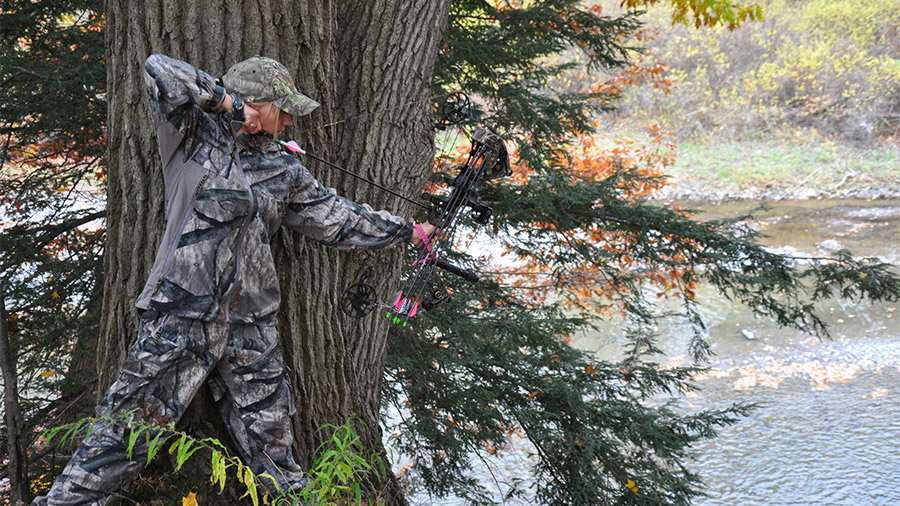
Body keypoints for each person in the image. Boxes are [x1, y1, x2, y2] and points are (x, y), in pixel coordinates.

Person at [33, 53, 435, 505]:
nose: (287, 122)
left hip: (250, 324)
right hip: (180, 316)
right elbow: (158, 68)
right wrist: (226, 102)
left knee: (274, 447)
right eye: (281, 110)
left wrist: (405, 230)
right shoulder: (189, 135)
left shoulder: (280, 166)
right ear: (255, 104)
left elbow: (334, 216)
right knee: (125, 433)